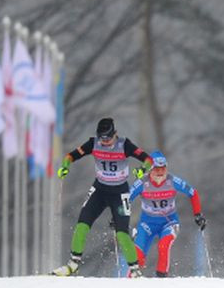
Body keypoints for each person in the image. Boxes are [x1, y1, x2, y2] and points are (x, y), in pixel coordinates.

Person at [51, 117, 153, 277]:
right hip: (99, 190)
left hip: (120, 193)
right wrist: (65, 166)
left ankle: (134, 270)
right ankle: (72, 264)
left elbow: (149, 160)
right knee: (82, 225)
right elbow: (69, 156)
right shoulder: (93, 143)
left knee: (122, 233)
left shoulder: (124, 145)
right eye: (102, 138)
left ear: (115, 134)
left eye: (108, 138)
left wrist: (142, 170)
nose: (105, 142)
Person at [128, 150, 206, 277]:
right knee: (138, 258)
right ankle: (129, 285)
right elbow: (126, 199)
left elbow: (193, 193)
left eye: (163, 169)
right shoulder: (142, 183)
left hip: (169, 223)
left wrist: (198, 214)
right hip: (146, 224)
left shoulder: (173, 181)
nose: (160, 172)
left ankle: (161, 280)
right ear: (150, 169)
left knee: (163, 246)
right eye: (156, 169)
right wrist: (119, 216)